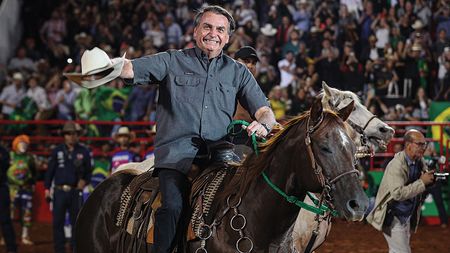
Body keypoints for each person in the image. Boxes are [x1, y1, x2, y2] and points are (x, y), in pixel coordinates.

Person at [70, 6, 276, 253]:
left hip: (220, 157)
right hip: (176, 156)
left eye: (220, 29)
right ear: (196, 30)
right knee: (173, 207)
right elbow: (131, 68)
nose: (213, 34)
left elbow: (265, 111)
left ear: (228, 37)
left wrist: (263, 124)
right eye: (207, 27)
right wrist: (108, 65)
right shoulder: (172, 60)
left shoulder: (238, 72)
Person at [366, 129, 435, 253]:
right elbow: (398, 194)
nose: (423, 147)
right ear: (408, 145)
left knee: (398, 250)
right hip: (392, 215)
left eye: (424, 144)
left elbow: (422, 182)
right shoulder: (396, 165)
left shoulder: (419, 161)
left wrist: (430, 180)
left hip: (406, 214)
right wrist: (422, 182)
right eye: (419, 144)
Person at [44, 121, 93, 253]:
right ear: (64, 135)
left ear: (78, 135)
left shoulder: (84, 151)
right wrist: (47, 189)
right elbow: (50, 171)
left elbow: (89, 171)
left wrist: (84, 181)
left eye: (74, 134)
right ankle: (59, 250)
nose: (71, 136)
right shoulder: (57, 151)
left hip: (75, 192)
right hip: (59, 191)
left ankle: (75, 249)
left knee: (76, 223)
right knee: (57, 223)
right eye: (68, 134)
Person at [7, 135, 36, 245]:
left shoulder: (30, 158)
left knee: (27, 213)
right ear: (15, 145)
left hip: (26, 189)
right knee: (8, 213)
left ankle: (25, 236)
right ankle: (7, 236)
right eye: (21, 143)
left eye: (25, 144)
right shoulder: (10, 156)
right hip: (12, 189)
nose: (23, 146)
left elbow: (34, 173)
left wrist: (31, 184)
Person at [0, 144, 17, 253]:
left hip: (1, 188)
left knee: (5, 220)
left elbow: (6, 164)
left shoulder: (3, 151)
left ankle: (11, 249)